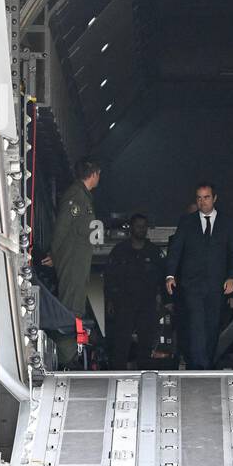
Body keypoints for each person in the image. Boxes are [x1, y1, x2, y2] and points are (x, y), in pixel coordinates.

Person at [164, 183, 233, 370]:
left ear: (214, 198)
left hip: (217, 284)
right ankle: (199, 366)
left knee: (213, 325)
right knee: (196, 323)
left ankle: (207, 363)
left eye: (206, 197)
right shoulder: (187, 222)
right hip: (192, 284)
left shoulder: (227, 222)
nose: (202, 201)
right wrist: (170, 275)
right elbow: (175, 250)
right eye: (199, 198)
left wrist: (232, 277)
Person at [49, 158, 101, 367]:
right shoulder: (75, 197)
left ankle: (71, 355)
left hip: (78, 264)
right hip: (71, 264)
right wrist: (56, 255)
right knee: (70, 310)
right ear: (94, 173)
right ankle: (67, 359)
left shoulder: (84, 197)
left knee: (75, 308)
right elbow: (62, 228)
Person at [105, 213, 167, 369]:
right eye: (138, 226)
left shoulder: (154, 252)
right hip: (124, 303)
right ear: (131, 228)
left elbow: (163, 277)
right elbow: (110, 277)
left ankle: (146, 376)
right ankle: (117, 375)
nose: (141, 229)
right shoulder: (119, 251)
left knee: (146, 342)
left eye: (144, 226)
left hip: (147, 304)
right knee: (121, 342)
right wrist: (110, 300)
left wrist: (162, 300)